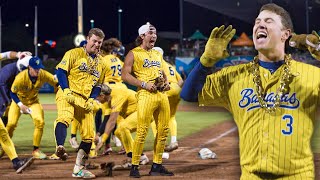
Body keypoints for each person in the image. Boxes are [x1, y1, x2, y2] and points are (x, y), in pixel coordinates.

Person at [181, 3, 318, 179]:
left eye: (268, 21)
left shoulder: (312, 75)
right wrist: (205, 62)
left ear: (286, 34)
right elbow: (188, 94)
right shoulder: (233, 76)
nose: (260, 25)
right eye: (257, 21)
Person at [121, 22, 173, 178]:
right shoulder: (134, 53)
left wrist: (166, 83)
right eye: (151, 33)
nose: (154, 36)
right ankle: (135, 167)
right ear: (142, 36)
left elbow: (162, 73)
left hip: (161, 96)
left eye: (155, 33)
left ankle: (156, 165)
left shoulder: (157, 53)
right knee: (142, 131)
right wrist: (143, 84)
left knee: (163, 131)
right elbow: (125, 75)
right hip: (145, 95)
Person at [53, 28, 107, 179]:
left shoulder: (102, 62)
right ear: (88, 39)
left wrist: (92, 98)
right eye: (94, 41)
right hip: (68, 94)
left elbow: (98, 84)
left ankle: (78, 169)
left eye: (99, 42)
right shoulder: (74, 53)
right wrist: (66, 90)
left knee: (89, 135)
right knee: (65, 117)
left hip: (84, 100)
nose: (97, 44)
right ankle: (60, 147)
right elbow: (61, 72)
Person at [6, 56, 58, 160]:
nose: (38, 71)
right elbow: (12, 93)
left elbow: (56, 82)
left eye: (39, 68)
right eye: (35, 68)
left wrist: (60, 88)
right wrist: (21, 105)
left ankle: (36, 150)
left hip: (33, 102)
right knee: (11, 124)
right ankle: (4, 147)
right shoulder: (20, 77)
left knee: (40, 122)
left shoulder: (42, 74)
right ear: (29, 67)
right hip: (18, 102)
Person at [0, 56, 34, 173]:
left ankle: (16, 162)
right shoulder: (8, 71)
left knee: (3, 134)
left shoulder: (17, 75)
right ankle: (16, 162)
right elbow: (1, 84)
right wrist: (7, 100)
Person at [151, 47, 184, 152]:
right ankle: (174, 141)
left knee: (154, 116)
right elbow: (181, 81)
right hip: (177, 90)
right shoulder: (170, 66)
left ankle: (161, 144)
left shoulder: (157, 64)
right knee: (171, 117)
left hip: (167, 88)